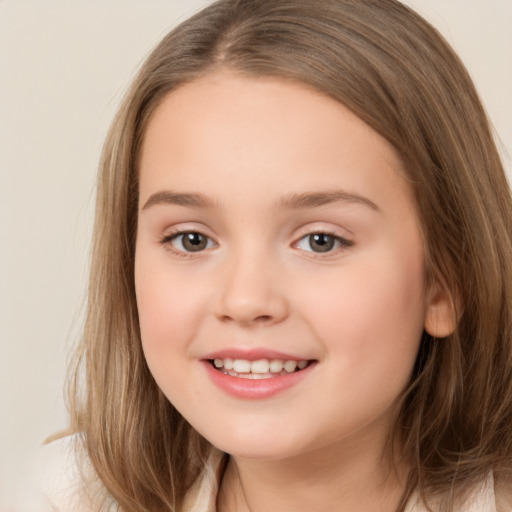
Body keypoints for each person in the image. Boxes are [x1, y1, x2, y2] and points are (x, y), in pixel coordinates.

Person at [39, 0, 512, 510]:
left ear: (446, 281)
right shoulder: (53, 496)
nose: (245, 301)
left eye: (320, 241)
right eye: (192, 239)